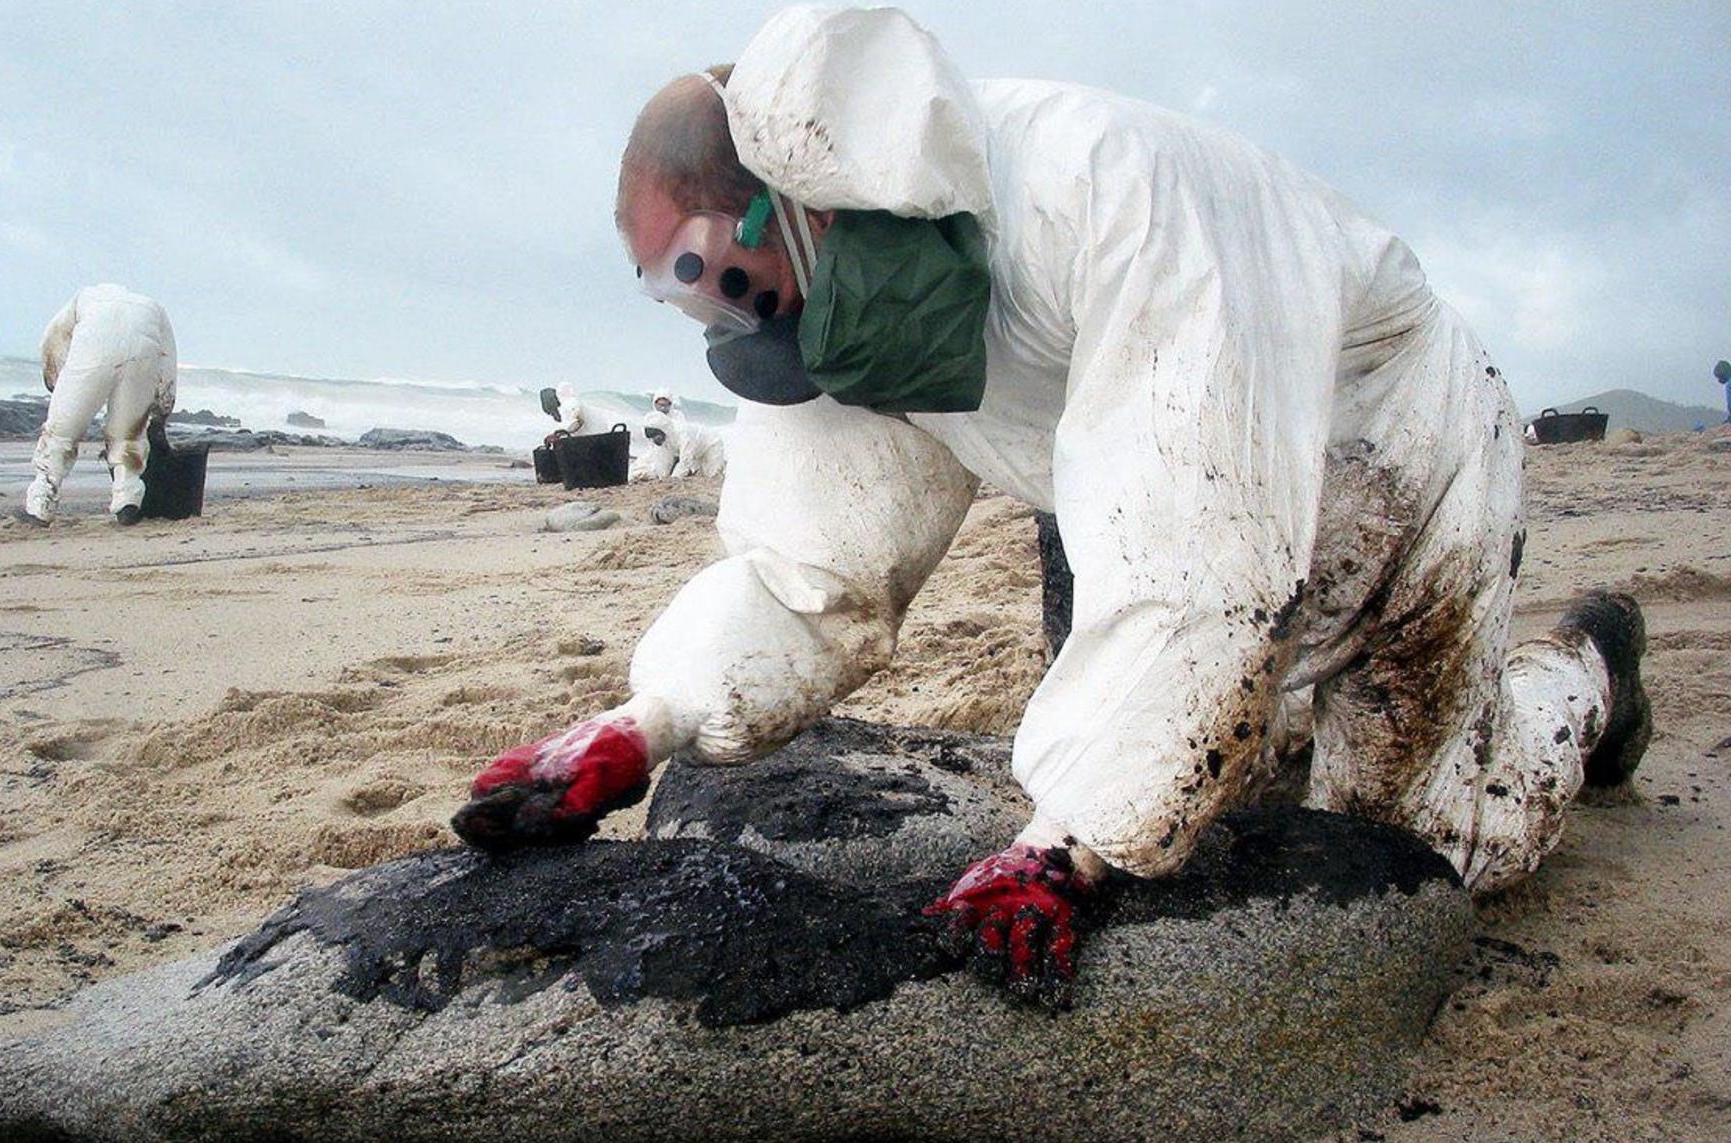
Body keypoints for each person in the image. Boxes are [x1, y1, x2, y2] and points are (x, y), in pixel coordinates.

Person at [452, 6, 1653, 1003]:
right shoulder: (848, 295)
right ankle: (1244, 725)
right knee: (1234, 764)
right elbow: (809, 566)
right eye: (670, 296)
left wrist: (1063, 852)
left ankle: (1583, 683)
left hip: (1388, 460)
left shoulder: (1109, 192)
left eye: (698, 271)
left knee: (1428, 849)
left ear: (783, 199)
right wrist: (639, 723)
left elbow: (1199, 548)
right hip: (1131, 494)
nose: (711, 316)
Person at [25, 284, 177, 525]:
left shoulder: (84, 298)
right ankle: (127, 503)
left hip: (93, 351)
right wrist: (162, 410)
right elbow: (168, 358)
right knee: (128, 436)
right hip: (142, 355)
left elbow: (53, 340)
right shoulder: (153, 307)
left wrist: (54, 382)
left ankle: (41, 503)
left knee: (62, 433)